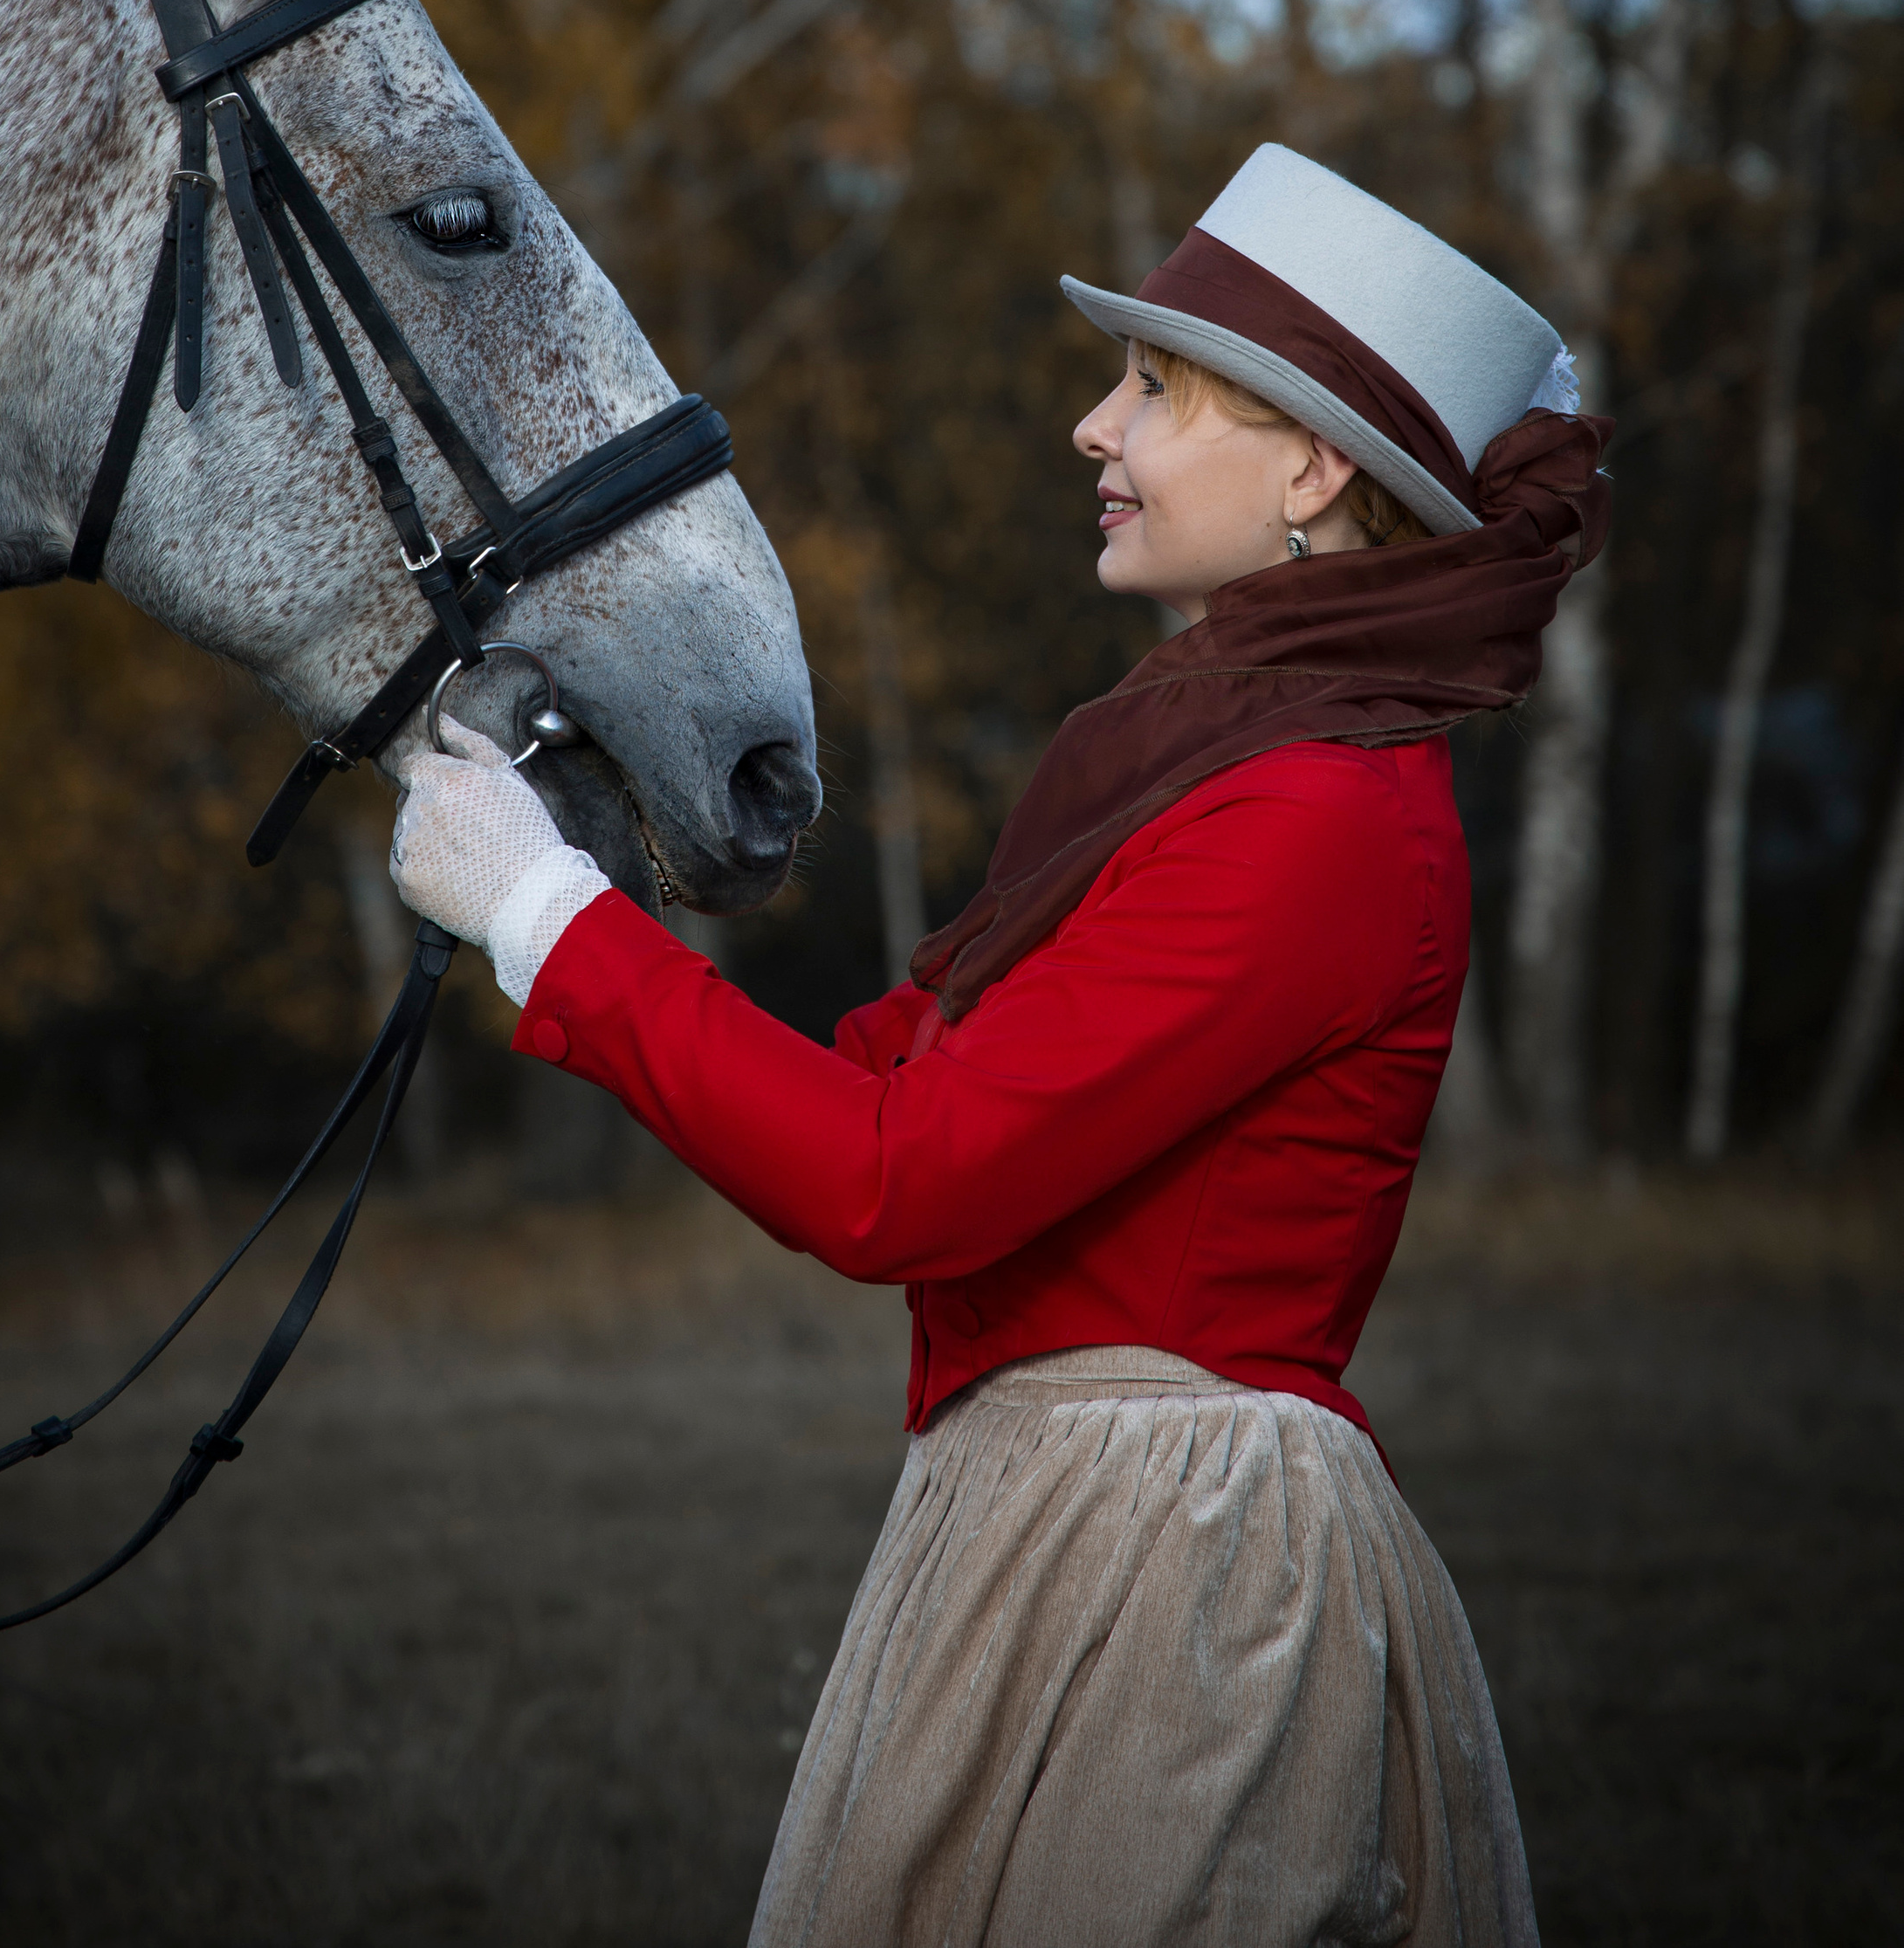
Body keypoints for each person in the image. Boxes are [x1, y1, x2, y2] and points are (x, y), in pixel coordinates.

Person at [387, 143, 1612, 1948]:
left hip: (1177, 1590)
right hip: (1069, 1537)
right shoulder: (1216, 759)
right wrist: (564, 852)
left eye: (1151, 389)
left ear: (1308, 465)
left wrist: (540, 922)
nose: (1087, 429)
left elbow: (892, 1186)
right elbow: (893, 1085)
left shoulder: (1311, 819)